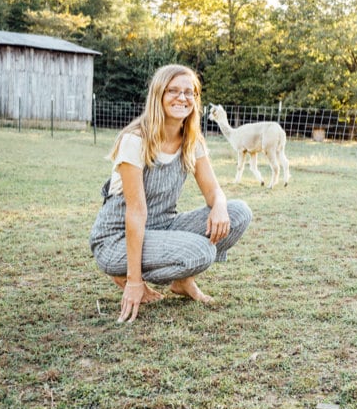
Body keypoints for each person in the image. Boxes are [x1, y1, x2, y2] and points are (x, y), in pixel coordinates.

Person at [89, 64, 252, 323]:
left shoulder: (192, 140)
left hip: (162, 225)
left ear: (196, 99)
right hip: (117, 237)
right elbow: (136, 211)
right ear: (159, 95)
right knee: (201, 253)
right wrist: (134, 282)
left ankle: (183, 282)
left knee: (239, 213)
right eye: (173, 90)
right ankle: (121, 272)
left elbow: (214, 192)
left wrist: (219, 205)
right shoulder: (135, 140)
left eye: (189, 92)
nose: (182, 97)